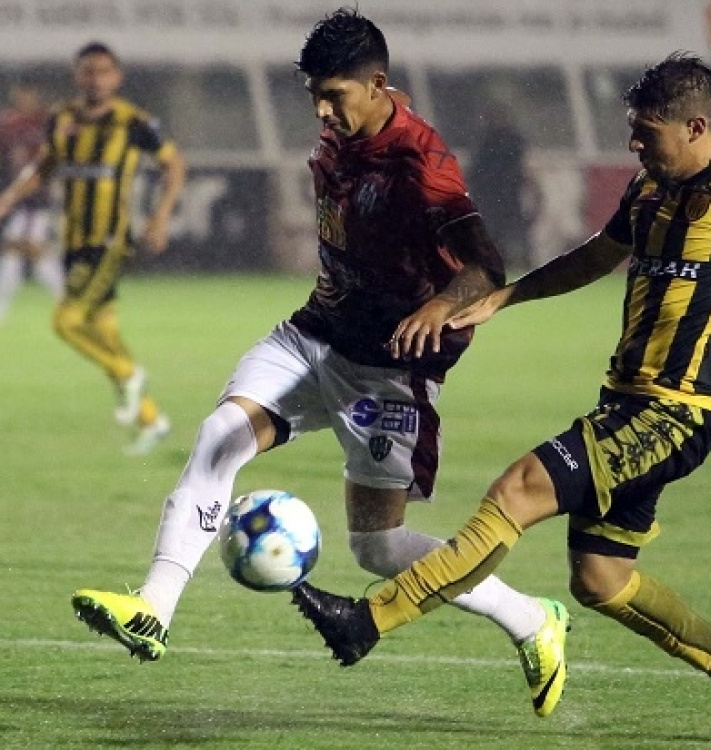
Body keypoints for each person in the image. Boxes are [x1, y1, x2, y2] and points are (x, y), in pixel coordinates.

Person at [289, 52, 711, 742]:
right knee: (601, 578)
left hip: (675, 411)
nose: (633, 145)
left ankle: (368, 622)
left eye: (646, 133)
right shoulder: (648, 190)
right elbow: (594, 256)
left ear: (695, 127)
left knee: (516, 493)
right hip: (626, 404)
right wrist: (507, 296)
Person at [70, 9, 570, 720]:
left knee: (379, 548)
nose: (322, 111)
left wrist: (440, 304)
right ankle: (153, 608)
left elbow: (486, 265)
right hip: (313, 333)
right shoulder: (345, 131)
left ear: (377, 84)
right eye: (314, 95)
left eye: (334, 95)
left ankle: (531, 618)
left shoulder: (420, 163)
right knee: (219, 437)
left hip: (387, 366)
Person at [0, 43, 185, 455]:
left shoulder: (133, 122)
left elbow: (174, 165)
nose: (95, 79)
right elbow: (45, 166)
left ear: (117, 77)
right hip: (73, 241)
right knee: (104, 332)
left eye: (103, 71)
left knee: (66, 322)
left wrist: (159, 217)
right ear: (77, 75)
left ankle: (128, 374)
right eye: (88, 71)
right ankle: (151, 419)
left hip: (109, 241)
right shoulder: (62, 118)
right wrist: (10, 197)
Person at [0, 77, 63, 322]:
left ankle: (65, 298)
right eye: (20, 94)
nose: (24, 99)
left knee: (21, 247)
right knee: (19, 251)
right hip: (15, 194)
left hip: (36, 196)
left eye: (28, 94)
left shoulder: (45, 122)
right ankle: (66, 299)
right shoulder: (8, 124)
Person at [466, 102, 539, 271]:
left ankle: (519, 260)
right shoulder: (493, 140)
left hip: (503, 193)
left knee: (509, 230)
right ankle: (510, 261)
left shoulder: (498, 140)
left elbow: (476, 170)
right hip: (496, 193)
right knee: (501, 230)